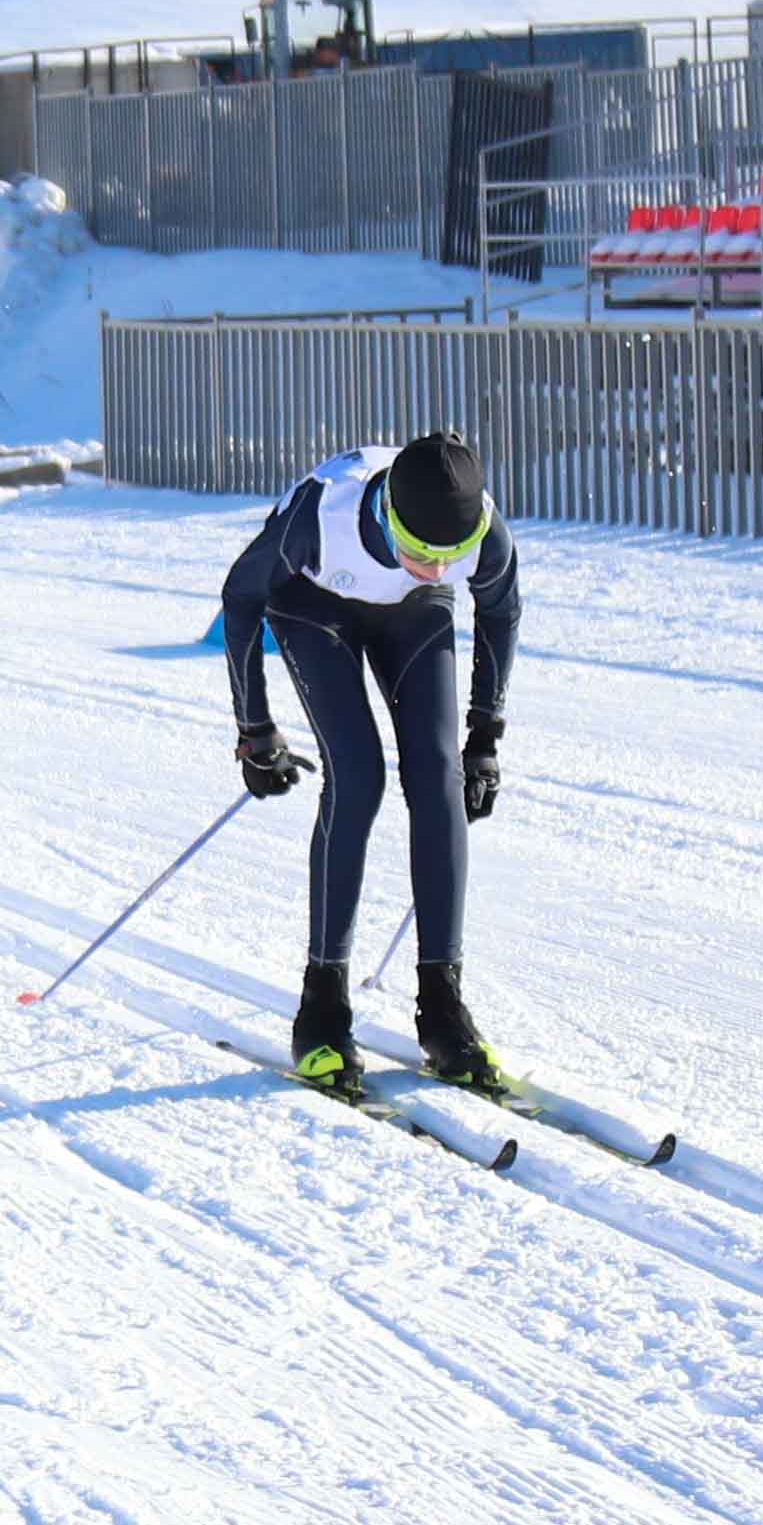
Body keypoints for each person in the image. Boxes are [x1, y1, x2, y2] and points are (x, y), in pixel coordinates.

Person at [220, 429, 522, 1094]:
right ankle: (321, 1009)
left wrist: (486, 736)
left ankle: (444, 1009)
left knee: (440, 778)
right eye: (420, 552)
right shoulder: (320, 518)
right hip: (313, 604)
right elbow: (240, 597)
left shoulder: (476, 533)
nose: (437, 567)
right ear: (388, 516)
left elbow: (498, 610)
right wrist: (254, 727)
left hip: (412, 619)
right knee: (358, 775)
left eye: (453, 555)